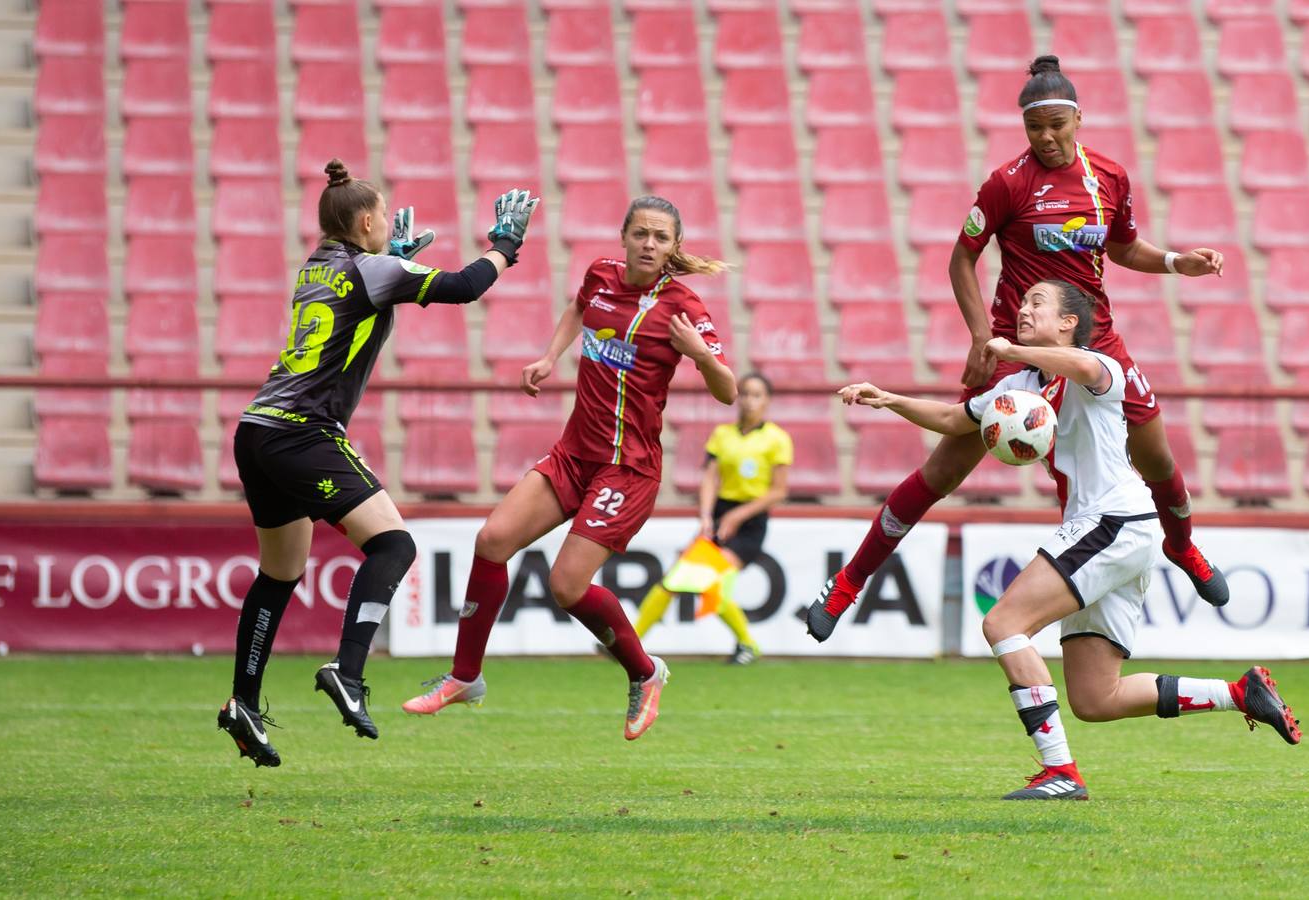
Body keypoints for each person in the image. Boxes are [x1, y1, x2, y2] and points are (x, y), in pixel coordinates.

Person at [809, 55, 1230, 639]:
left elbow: (1125, 248)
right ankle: (848, 584)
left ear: (1078, 118)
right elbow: (962, 256)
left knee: (1156, 455)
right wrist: (985, 337)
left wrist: (1174, 262)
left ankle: (1181, 546)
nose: (1048, 138)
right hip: (1017, 346)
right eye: (1036, 128)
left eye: (1058, 125)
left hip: (1095, 343)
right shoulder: (1007, 183)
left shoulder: (1109, 176)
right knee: (944, 467)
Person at [831, 279, 1300, 799]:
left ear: (1069, 323)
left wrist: (1011, 349)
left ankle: (1060, 772)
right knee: (1096, 698)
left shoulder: (1100, 366)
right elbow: (952, 418)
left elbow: (1081, 367)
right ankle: (1239, 693)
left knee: (1004, 623)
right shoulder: (1026, 385)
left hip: (1112, 521)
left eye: (1038, 304)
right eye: (1024, 302)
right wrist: (887, 398)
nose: (1024, 309)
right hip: (1121, 530)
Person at [217, 159, 540, 767]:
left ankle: (244, 704)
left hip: (256, 431)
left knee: (279, 575)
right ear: (366, 221)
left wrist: (392, 255)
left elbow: (362, 293)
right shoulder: (376, 270)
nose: (389, 224)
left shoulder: (317, 266)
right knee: (394, 546)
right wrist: (506, 243)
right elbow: (466, 285)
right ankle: (349, 669)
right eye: (383, 217)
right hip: (302, 433)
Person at [401, 195, 738, 740]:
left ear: (675, 247)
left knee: (566, 585)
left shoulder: (683, 307)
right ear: (625, 236)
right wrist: (550, 356)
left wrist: (699, 354)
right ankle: (466, 677)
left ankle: (645, 673)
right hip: (574, 453)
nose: (649, 245)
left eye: (661, 238)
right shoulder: (601, 275)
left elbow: (729, 392)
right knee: (491, 540)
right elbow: (578, 311)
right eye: (641, 234)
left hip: (627, 469)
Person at [634, 373, 790, 665]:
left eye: (756, 395)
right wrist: (706, 516)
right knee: (674, 581)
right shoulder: (722, 434)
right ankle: (628, 642)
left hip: (751, 520)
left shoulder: (777, 439)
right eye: (744, 393)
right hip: (720, 514)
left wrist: (738, 514)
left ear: (767, 401)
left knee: (712, 580)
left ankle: (748, 643)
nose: (749, 400)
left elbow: (778, 491)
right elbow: (710, 478)